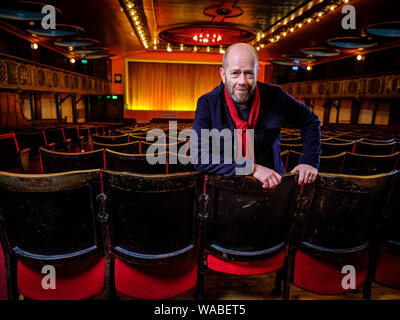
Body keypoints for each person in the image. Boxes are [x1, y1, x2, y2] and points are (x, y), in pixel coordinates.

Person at [191, 43, 321, 189]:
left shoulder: (276, 95)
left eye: (249, 73)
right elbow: (200, 157)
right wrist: (251, 168)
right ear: (223, 74)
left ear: (257, 73)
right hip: (228, 190)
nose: (242, 81)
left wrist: (309, 161)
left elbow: (311, 121)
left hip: (275, 187)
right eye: (235, 73)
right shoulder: (207, 103)